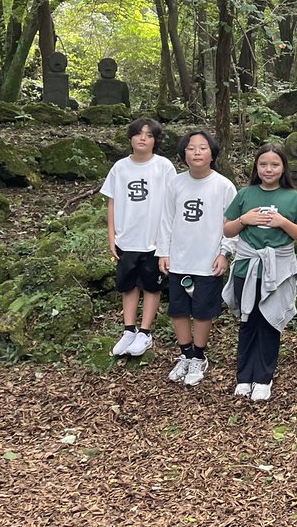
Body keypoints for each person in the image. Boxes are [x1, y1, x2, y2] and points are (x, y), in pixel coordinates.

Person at [222, 143, 297, 402]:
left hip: (278, 270)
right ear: (256, 167)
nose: (268, 169)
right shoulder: (245, 194)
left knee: (270, 322)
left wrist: (283, 222)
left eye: (274, 164)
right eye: (263, 164)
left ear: (283, 168)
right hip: (246, 267)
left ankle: (263, 378)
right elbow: (227, 230)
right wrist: (244, 220)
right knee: (247, 321)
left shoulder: (293, 198)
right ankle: (244, 377)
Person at [156, 130, 236, 387]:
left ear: (212, 154)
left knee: (202, 311)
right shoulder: (175, 183)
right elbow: (166, 219)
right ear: (184, 154)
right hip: (179, 259)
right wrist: (163, 252)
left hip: (208, 260)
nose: (197, 152)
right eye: (191, 148)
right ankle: (186, 353)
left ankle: (199, 357)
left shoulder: (223, 185)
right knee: (178, 309)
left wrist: (225, 252)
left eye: (203, 148)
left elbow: (231, 223)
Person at [101, 117, 176, 359]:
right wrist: (112, 235)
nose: (143, 138)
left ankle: (145, 332)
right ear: (131, 138)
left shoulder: (163, 167)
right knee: (128, 284)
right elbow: (112, 202)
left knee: (151, 285)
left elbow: (172, 203)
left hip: (154, 239)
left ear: (156, 141)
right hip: (127, 237)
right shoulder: (120, 167)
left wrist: (167, 239)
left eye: (149, 135)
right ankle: (129, 329)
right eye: (138, 133)